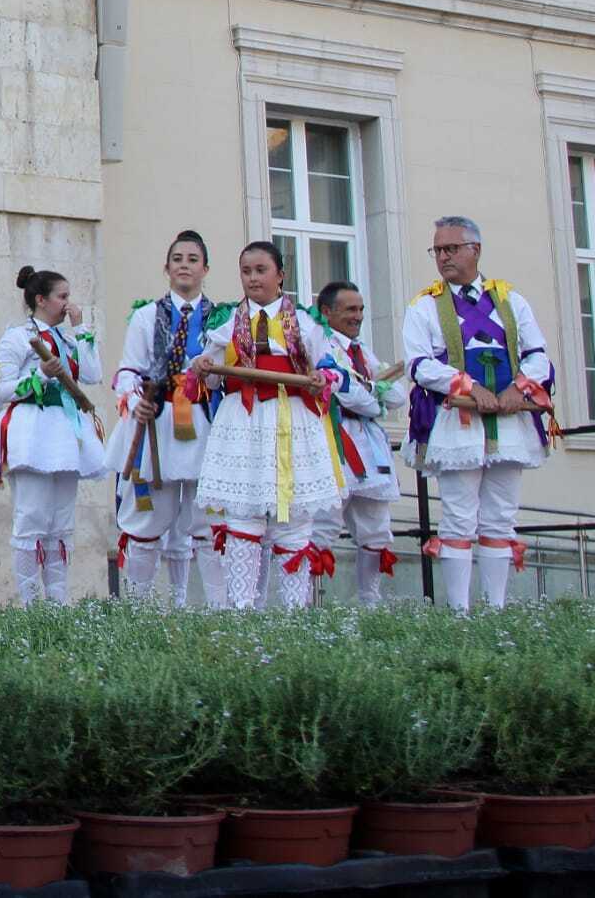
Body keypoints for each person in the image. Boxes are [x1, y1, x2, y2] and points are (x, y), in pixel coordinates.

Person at [402, 215, 556, 611]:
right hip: (458, 421)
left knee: (500, 516)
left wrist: (518, 388)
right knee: (458, 516)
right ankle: (459, 614)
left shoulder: (511, 300)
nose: (443, 257)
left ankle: (495, 610)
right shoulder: (424, 305)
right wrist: (469, 387)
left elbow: (537, 354)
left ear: (476, 250)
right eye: (437, 249)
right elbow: (419, 365)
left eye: (451, 248)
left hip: (510, 421)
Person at [189, 242, 343, 611]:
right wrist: (203, 369)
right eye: (246, 271)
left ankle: (294, 613)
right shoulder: (227, 322)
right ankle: (242, 611)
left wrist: (322, 379)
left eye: (261, 270)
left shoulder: (305, 322)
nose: (253, 278)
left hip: (291, 420)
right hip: (244, 421)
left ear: (280, 275)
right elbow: (210, 379)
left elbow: (332, 369)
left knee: (294, 520)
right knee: (243, 515)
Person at [0, 267, 105, 606]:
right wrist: (40, 376)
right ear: (41, 300)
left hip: (66, 433)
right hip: (32, 432)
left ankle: (57, 604)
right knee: (31, 518)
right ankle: (31, 605)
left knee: (61, 523)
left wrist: (81, 329)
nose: (68, 304)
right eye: (62, 297)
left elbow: (92, 374)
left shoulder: (68, 338)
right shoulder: (16, 337)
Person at [109, 231, 226, 607]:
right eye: (177, 259)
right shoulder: (146, 316)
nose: (184, 266)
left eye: (192, 259)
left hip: (205, 423)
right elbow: (129, 369)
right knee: (146, 519)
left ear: (205, 268)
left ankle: (215, 612)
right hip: (156, 424)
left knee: (208, 521)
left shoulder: (222, 319)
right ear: (166, 267)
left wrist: (210, 374)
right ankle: (137, 610)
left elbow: (228, 374)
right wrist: (134, 401)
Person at [312, 280, 405, 607]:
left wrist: (369, 392)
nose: (358, 316)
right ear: (327, 311)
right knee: (322, 525)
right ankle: (307, 609)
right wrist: (371, 393)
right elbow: (349, 394)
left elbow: (396, 396)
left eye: (361, 309)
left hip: (370, 448)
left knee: (376, 529)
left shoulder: (362, 350)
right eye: (350, 309)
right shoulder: (321, 344)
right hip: (333, 441)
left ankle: (370, 605)